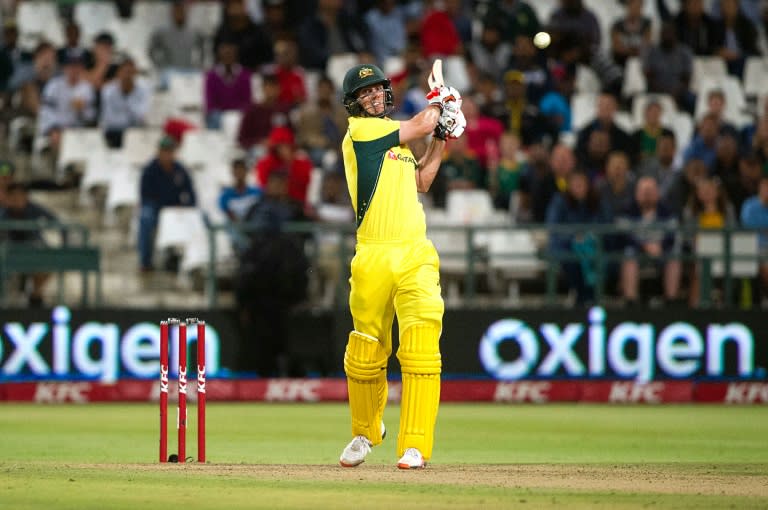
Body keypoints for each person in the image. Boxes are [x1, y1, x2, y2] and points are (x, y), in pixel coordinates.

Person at [336, 63, 464, 470]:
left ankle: (414, 446)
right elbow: (423, 120)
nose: (374, 97)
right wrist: (442, 103)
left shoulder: (398, 143)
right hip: (373, 254)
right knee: (365, 352)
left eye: (377, 90)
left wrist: (442, 136)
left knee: (422, 348)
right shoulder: (361, 133)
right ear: (354, 103)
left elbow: (423, 181)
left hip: (414, 253)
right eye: (365, 93)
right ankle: (365, 431)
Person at [137, 136, 197, 272]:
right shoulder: (149, 170)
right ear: (159, 152)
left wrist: (187, 207)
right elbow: (145, 196)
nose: (167, 154)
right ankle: (145, 261)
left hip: (176, 208)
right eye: (164, 151)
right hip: (156, 209)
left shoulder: (180, 170)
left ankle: (195, 261)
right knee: (145, 218)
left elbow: (190, 193)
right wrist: (163, 208)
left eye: (170, 151)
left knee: (201, 217)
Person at [0, 182, 57, 306]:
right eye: (13, 196)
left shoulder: (33, 208)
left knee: (48, 264)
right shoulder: (3, 213)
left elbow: (54, 220)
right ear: (8, 198)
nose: (17, 200)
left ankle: (34, 297)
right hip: (9, 253)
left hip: (33, 250)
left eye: (20, 196)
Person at [99, 57, 149, 148]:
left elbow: (142, 115)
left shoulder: (144, 89)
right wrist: (129, 112)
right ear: (118, 73)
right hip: (113, 132)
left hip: (135, 131)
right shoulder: (108, 90)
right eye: (125, 72)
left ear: (135, 73)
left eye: (130, 72)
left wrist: (127, 100)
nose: (127, 76)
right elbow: (109, 118)